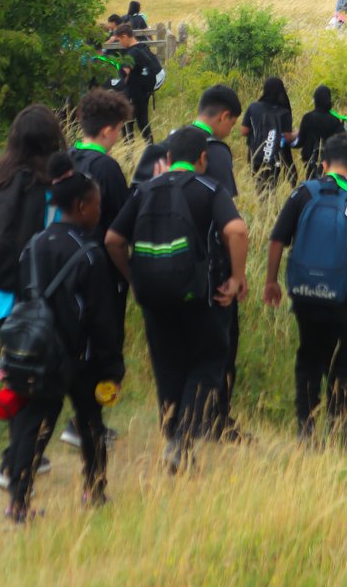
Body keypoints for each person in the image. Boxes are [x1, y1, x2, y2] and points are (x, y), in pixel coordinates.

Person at [105, 126, 248, 472]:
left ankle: (173, 439)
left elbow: (113, 239)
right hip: (204, 295)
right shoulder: (210, 189)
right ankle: (182, 442)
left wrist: (134, 278)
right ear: (203, 159)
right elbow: (237, 230)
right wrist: (236, 278)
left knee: (168, 366)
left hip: (155, 298)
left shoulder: (144, 191)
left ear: (167, 159)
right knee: (207, 364)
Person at [6, 153, 124, 521]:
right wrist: (112, 365)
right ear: (82, 205)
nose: (98, 212)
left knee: (33, 427)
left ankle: (18, 504)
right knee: (90, 424)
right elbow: (103, 318)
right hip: (81, 358)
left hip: (39, 352)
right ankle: (94, 491)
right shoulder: (91, 254)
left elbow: (23, 295)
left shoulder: (34, 245)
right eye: (97, 206)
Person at [263, 133, 347, 443]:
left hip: (306, 294)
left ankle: (306, 429)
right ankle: (339, 430)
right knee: (344, 363)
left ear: (323, 164)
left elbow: (277, 239)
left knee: (308, 358)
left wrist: (272, 281)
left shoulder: (302, 193)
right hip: (346, 297)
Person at [0, 104, 65, 489]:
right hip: (33, 292)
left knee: (13, 368)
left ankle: (20, 455)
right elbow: (52, 238)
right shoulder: (50, 185)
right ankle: (14, 460)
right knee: (33, 376)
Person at [60, 88, 132, 450]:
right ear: (108, 130)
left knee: (73, 347)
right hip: (100, 271)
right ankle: (87, 422)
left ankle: (75, 420)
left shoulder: (65, 160)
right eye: (119, 130)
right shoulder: (106, 168)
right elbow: (120, 227)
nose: (118, 137)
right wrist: (129, 274)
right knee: (104, 349)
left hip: (61, 268)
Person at [106, 23, 160, 142]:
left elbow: (125, 73)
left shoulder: (131, 53)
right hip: (145, 91)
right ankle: (150, 147)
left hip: (135, 92)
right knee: (142, 121)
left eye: (120, 40)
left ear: (125, 36)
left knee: (129, 122)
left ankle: (130, 151)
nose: (120, 44)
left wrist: (114, 87)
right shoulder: (143, 47)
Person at [242, 78, 296, 194]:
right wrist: (296, 134)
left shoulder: (253, 107)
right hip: (274, 157)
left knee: (258, 185)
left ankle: (261, 207)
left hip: (254, 155)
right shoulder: (284, 112)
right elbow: (286, 137)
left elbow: (244, 131)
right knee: (271, 187)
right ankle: (270, 208)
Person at [297, 86, 347, 180]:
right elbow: (343, 141)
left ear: (315, 100)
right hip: (329, 165)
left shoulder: (307, 118)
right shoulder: (334, 120)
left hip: (310, 163)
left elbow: (300, 141)